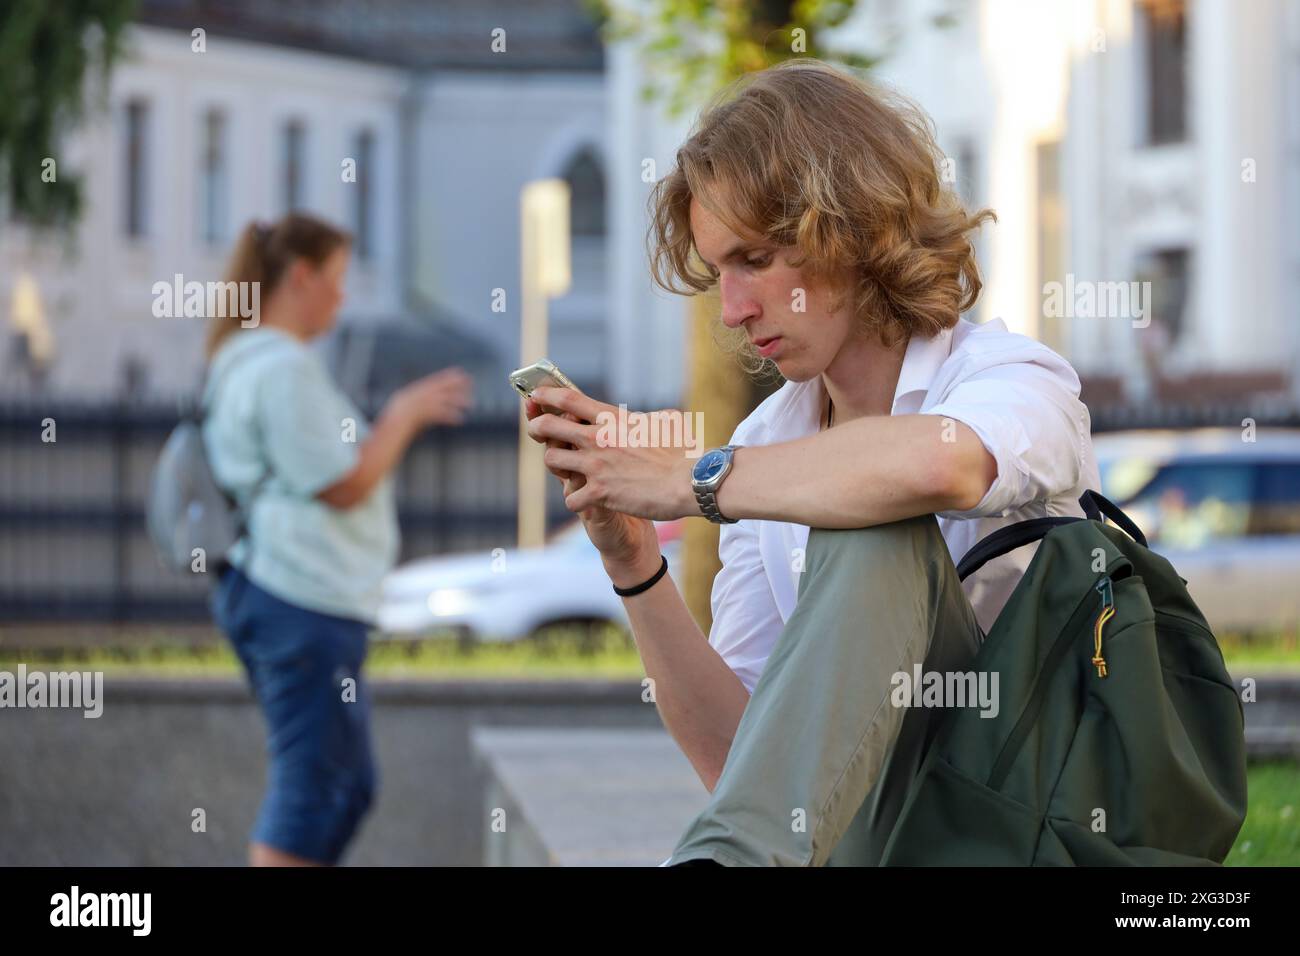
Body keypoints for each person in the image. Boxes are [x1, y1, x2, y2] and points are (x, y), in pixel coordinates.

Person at [524, 59, 1100, 866]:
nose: (732, 310)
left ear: (854, 229)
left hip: (1031, 825)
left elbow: (945, 469)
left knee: (872, 518)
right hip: (875, 841)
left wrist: (697, 481)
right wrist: (633, 561)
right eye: (718, 272)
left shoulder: (1013, 378)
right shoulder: (765, 448)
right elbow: (744, 766)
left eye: (755, 260)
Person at [203, 213, 473, 866]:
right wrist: (403, 416)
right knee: (314, 783)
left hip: (300, 599)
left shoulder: (249, 363)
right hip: (297, 598)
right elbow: (342, 482)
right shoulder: (280, 370)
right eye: (336, 279)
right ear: (300, 277)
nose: (342, 296)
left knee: (347, 786)